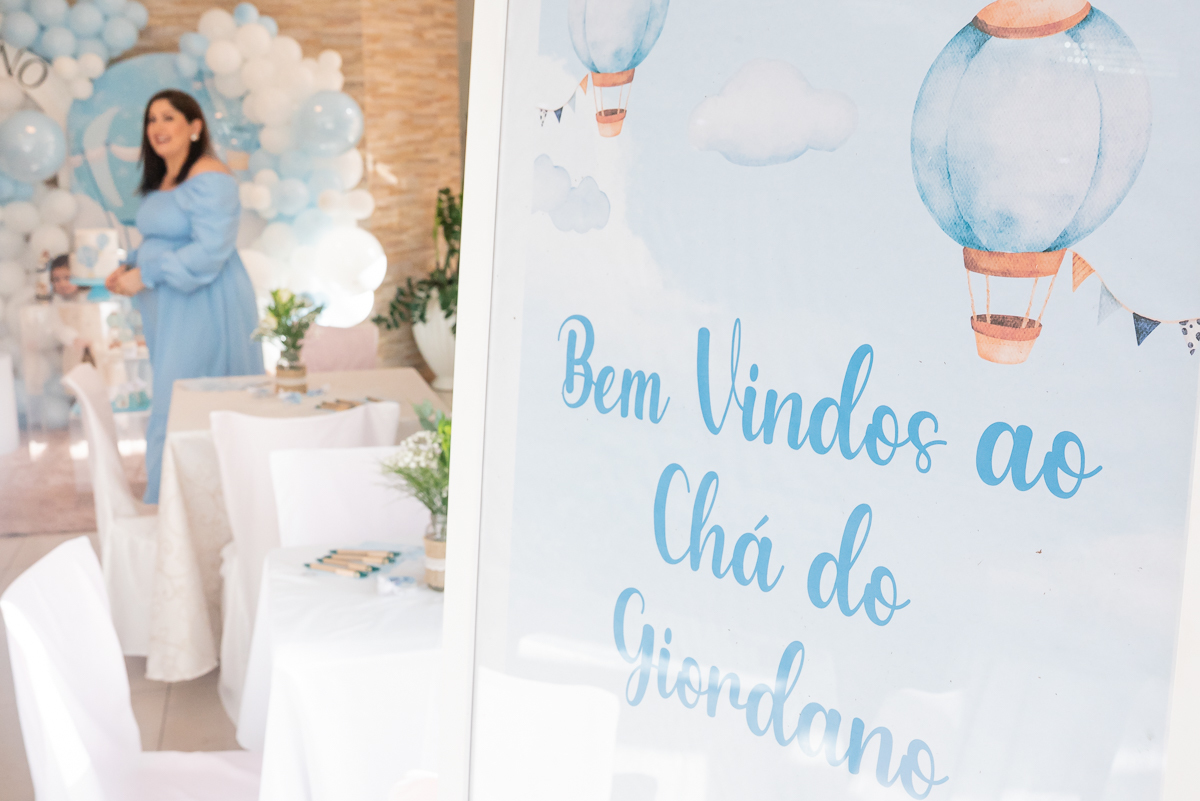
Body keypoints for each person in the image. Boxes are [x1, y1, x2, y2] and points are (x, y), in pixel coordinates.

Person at [106, 89, 263, 504]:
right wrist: (129, 265)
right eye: (151, 119)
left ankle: (193, 505)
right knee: (174, 395)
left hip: (204, 303)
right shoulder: (165, 178)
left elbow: (210, 250)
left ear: (195, 126)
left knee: (189, 400)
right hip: (170, 304)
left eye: (168, 117)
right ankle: (177, 503)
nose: (157, 127)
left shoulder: (209, 175)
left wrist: (146, 274)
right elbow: (163, 237)